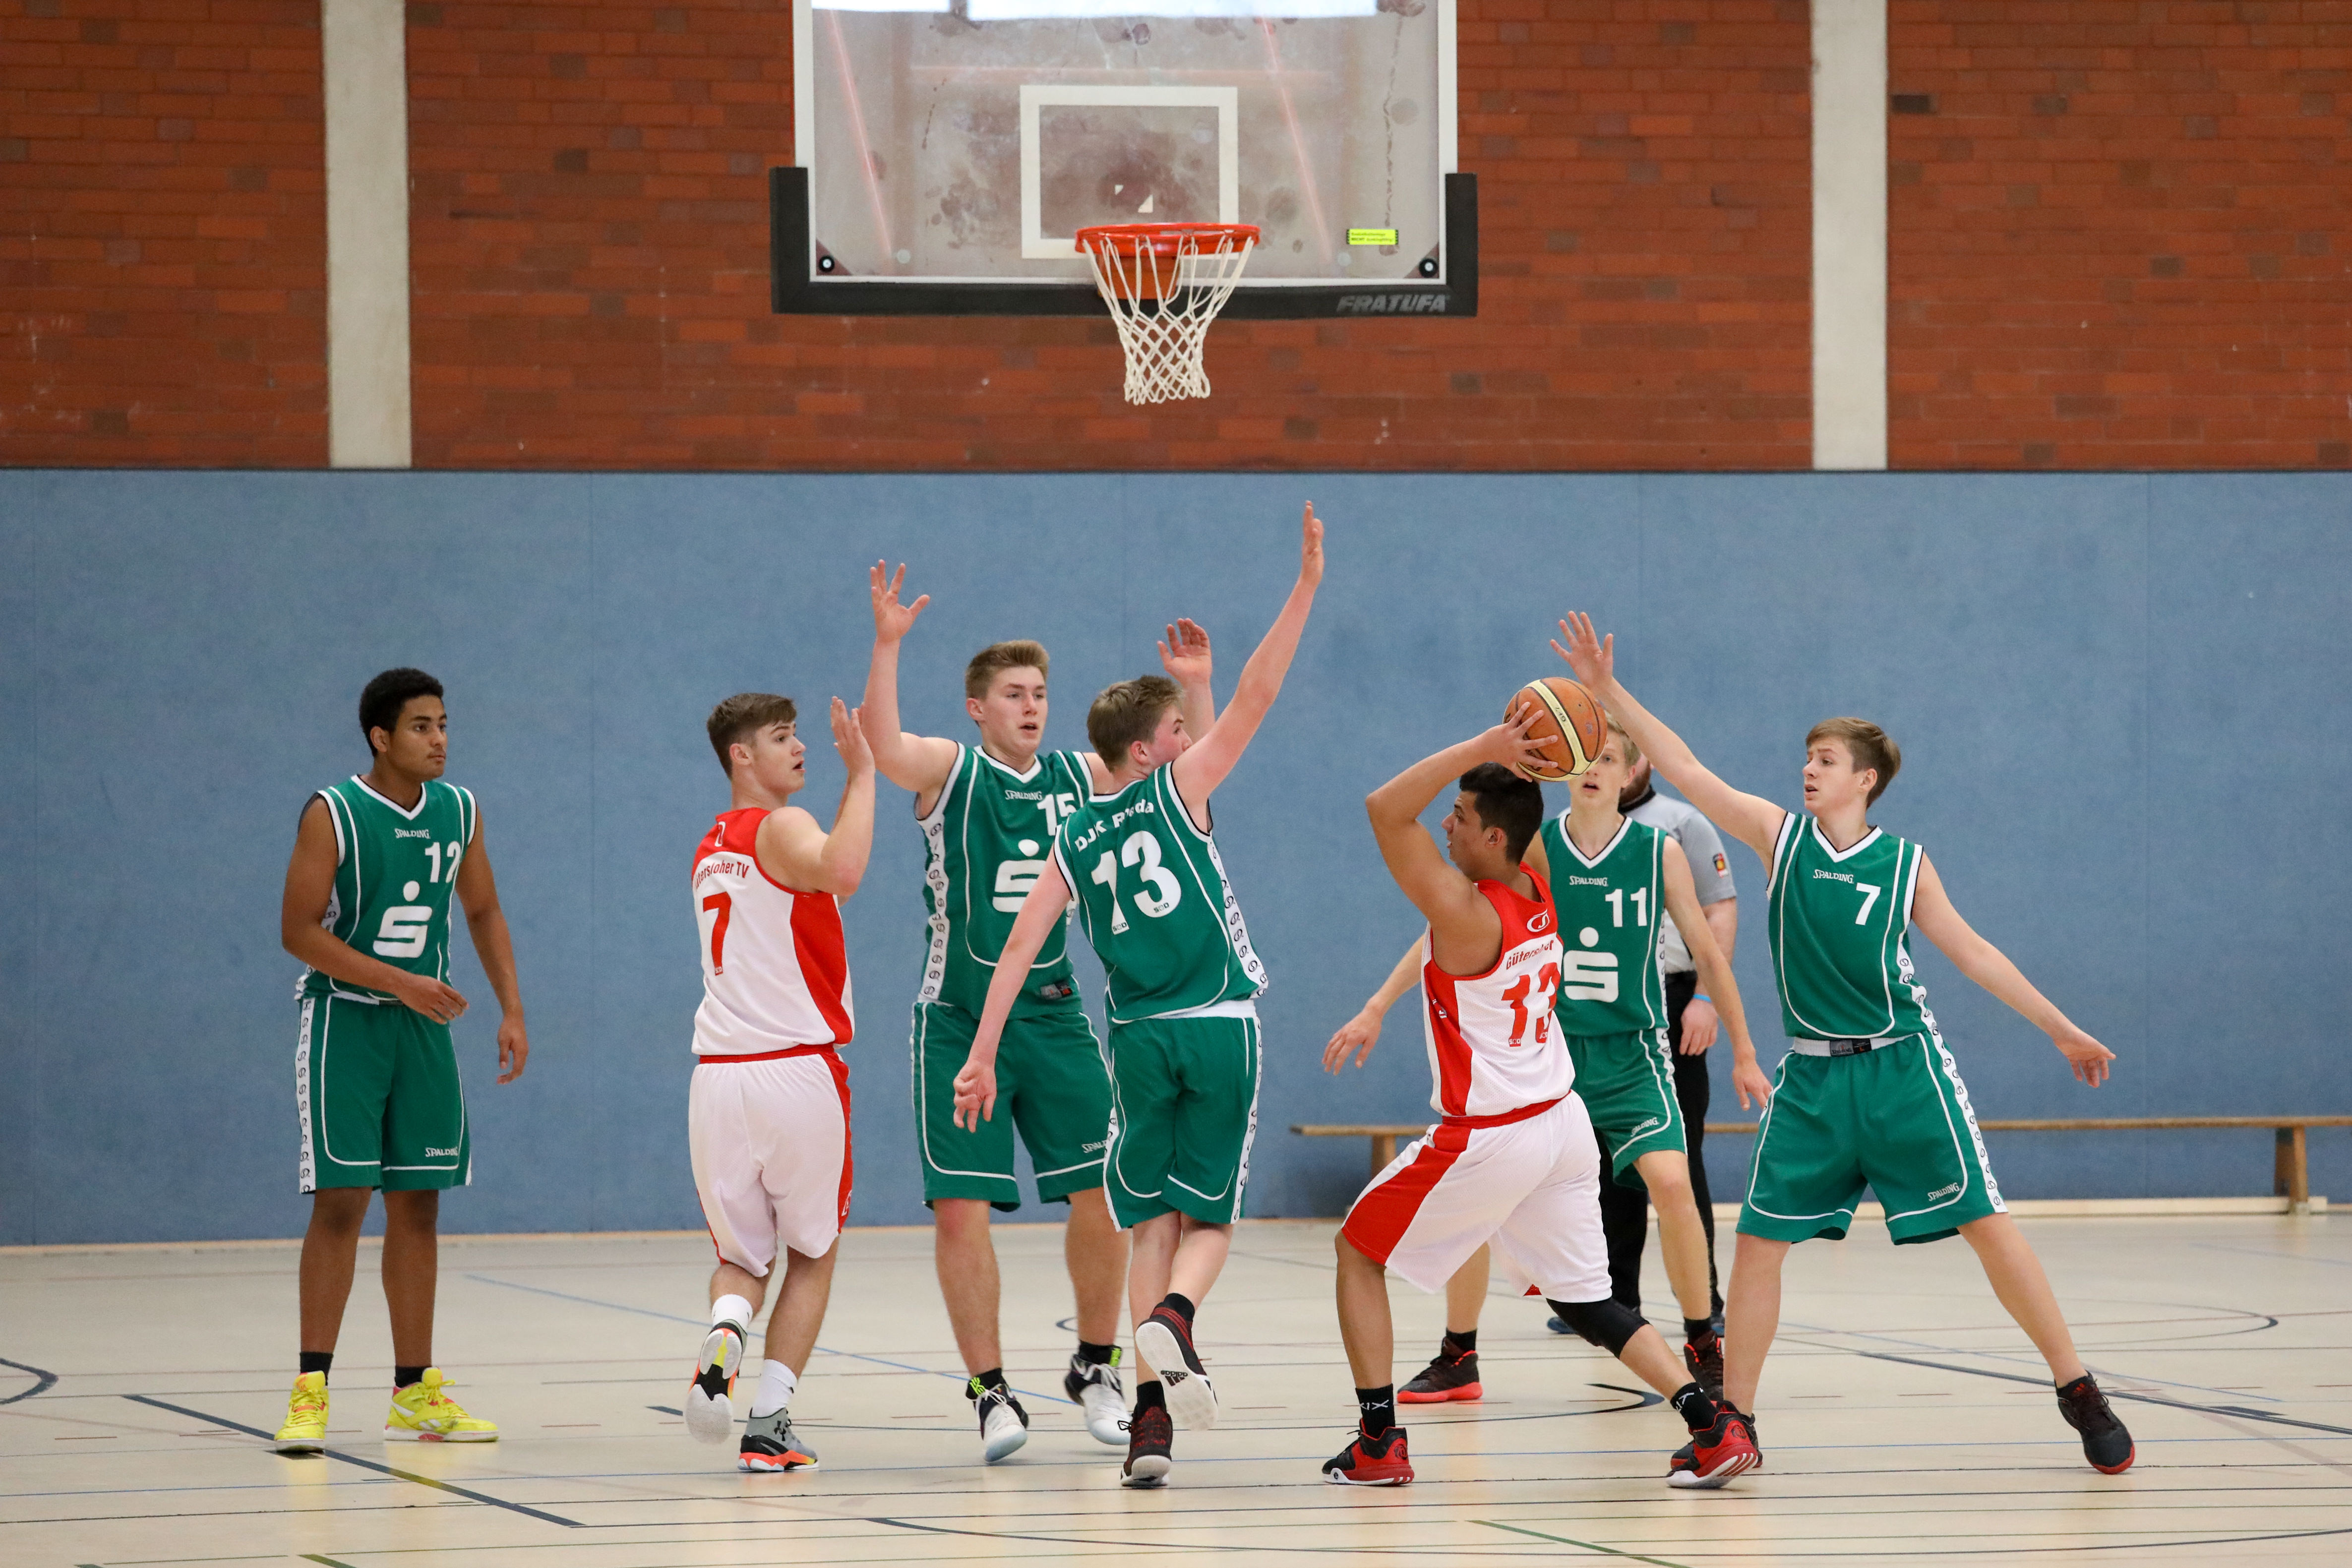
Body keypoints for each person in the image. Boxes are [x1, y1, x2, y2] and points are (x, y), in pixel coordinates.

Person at [1552, 611, 2136, 1477]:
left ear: (1864, 778)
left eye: (1824, 760)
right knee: (1757, 1242)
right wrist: (1609, 694)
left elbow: (1975, 953)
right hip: (1814, 1078)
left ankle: (2077, 1386)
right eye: (1807, 757)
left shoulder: (1905, 862)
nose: (1808, 769)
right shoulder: (1778, 836)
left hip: (1903, 1066)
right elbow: (1689, 769)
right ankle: (1737, 1422)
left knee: (1987, 1222)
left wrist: (2062, 1029)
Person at [954, 502, 1325, 1488]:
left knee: (1149, 1222)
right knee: (1210, 1224)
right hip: (1217, 1028)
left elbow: (1018, 947)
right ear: (1152, 752)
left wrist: (981, 1054)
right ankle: (1175, 1320)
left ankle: (1150, 1425)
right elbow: (1259, 696)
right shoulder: (1178, 791)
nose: (1187, 736)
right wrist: (1303, 588)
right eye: (1176, 729)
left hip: (1137, 1041)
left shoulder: (1074, 836)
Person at [1320, 729, 1759, 1489]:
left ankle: (1378, 1440)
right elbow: (1503, 823)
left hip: (1493, 1132)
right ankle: (1711, 1422)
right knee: (1589, 1302)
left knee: (1357, 1252)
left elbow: (1384, 809)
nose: (1445, 823)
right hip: (1561, 1124)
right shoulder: (1539, 884)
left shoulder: (1465, 910)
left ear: (1495, 838)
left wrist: (1491, 741)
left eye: (1460, 815)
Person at [861, 564, 1216, 1462]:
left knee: (1107, 1194)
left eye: (1041, 693)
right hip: (958, 1019)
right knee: (961, 1211)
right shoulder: (951, 769)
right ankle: (989, 1390)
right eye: (1014, 694)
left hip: (1056, 1018)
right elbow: (884, 744)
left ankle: (1096, 1364)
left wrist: (1196, 691)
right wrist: (888, 644)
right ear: (977, 707)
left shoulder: (1081, 775)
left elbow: (1187, 772)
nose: (1031, 706)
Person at [273, 668, 529, 1453]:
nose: (440, 738)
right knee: (343, 1201)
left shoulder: (460, 810)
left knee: (419, 1205)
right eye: (422, 726)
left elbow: (482, 907)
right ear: (381, 737)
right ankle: (311, 1390)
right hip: (346, 1022)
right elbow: (298, 930)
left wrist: (512, 1008)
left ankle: (414, 1392)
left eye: (444, 723)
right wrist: (400, 982)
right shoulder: (334, 813)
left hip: (422, 1030)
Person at [680, 692, 874, 1474]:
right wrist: (865, 775)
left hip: (718, 1080)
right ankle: (768, 1424)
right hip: (794, 1070)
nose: (799, 748)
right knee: (812, 1253)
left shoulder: (712, 846)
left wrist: (850, 781)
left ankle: (725, 1332)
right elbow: (845, 869)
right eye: (782, 737)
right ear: (741, 755)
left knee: (742, 1260)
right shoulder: (781, 827)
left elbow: (816, 886)